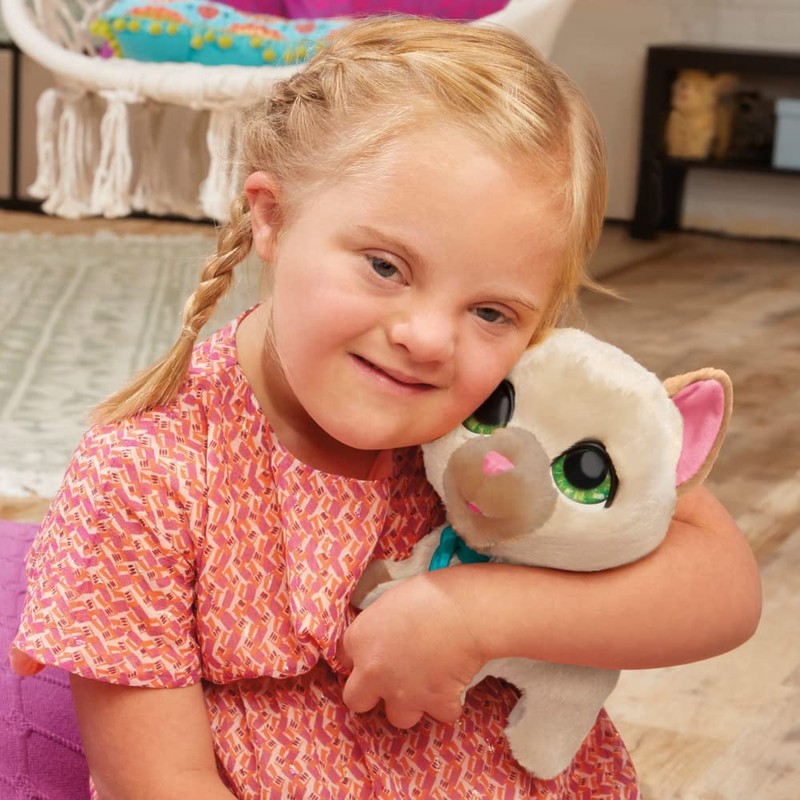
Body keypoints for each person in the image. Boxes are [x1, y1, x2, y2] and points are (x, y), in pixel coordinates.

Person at [10, 15, 760, 800]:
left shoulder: (511, 403)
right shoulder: (146, 474)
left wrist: (478, 614)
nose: (428, 339)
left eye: (492, 311)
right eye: (385, 266)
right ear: (272, 217)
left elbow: (725, 588)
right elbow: (157, 782)